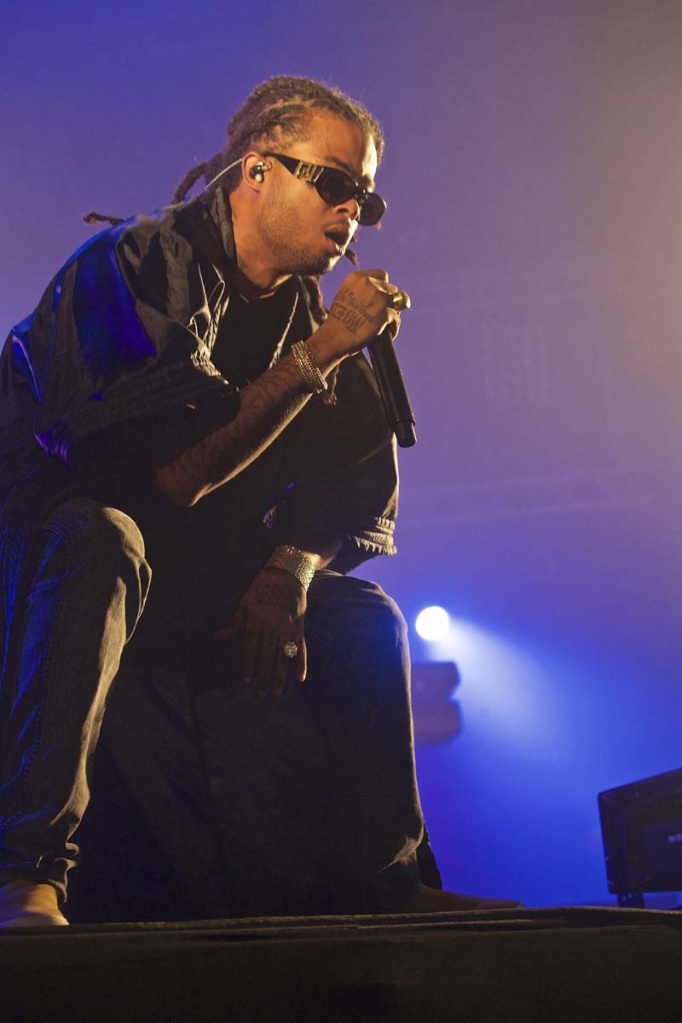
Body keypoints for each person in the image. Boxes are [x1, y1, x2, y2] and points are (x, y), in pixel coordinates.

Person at [0, 76, 517, 928]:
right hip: (43, 559)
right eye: (335, 182)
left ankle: (385, 880)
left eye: (366, 197)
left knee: (362, 618)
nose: (353, 211)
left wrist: (290, 567)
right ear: (258, 169)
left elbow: (354, 484)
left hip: (170, 574)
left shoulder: (309, 313)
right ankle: (28, 872)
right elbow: (172, 475)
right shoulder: (138, 264)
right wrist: (325, 349)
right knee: (105, 538)